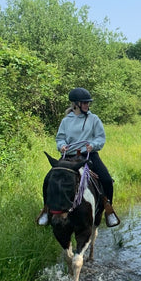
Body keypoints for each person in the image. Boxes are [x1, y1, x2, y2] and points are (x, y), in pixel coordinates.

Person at [37, 87, 120, 227]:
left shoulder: (94, 119)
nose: (87, 105)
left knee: (106, 179)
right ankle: (46, 209)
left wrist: (92, 145)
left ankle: (108, 209)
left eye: (88, 103)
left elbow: (100, 137)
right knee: (48, 179)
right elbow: (60, 138)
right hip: (68, 157)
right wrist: (62, 146)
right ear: (76, 104)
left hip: (89, 155)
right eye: (85, 103)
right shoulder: (66, 121)